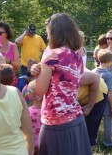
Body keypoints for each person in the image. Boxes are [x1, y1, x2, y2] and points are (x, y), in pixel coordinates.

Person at [33, 13, 91, 154]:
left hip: (56, 123)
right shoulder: (77, 57)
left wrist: (36, 77)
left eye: (48, 33)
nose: (47, 37)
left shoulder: (51, 55)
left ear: (55, 33)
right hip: (75, 119)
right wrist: (39, 71)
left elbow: (39, 90)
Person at [92, 49, 112, 147]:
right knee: (108, 125)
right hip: (106, 103)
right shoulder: (109, 76)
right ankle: (108, 143)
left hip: (95, 102)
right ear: (110, 61)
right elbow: (110, 93)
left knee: (95, 123)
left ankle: (94, 141)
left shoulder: (93, 71)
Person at [26, 80, 42, 155]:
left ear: (31, 95)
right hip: (45, 144)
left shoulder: (28, 112)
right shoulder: (48, 112)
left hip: (32, 147)